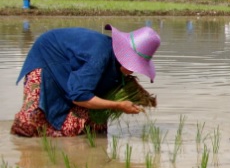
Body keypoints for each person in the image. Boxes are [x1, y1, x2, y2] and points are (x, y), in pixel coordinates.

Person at [12, 25, 161, 137]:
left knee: (94, 126)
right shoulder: (98, 56)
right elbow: (79, 97)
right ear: (125, 56)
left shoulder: (112, 59)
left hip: (69, 69)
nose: (135, 70)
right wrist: (119, 105)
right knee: (31, 124)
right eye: (135, 64)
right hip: (47, 58)